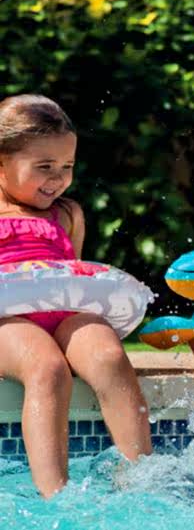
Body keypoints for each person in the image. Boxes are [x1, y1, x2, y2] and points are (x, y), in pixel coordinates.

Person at [0, 94, 152, 497]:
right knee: (47, 367)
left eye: (66, 166)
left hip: (60, 313)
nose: (58, 178)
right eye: (44, 166)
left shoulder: (67, 214)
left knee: (108, 355)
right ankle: (57, 496)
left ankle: (141, 481)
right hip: (5, 324)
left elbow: (71, 279)